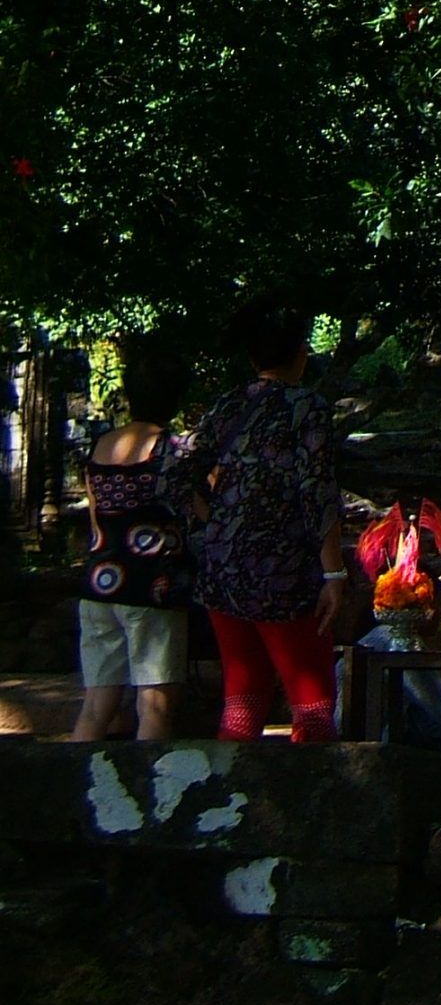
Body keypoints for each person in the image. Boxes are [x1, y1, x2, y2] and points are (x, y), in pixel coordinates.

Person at [167, 297, 345, 743]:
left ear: (252, 357)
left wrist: (213, 523)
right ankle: (314, 783)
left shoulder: (229, 405)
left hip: (222, 570)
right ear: (301, 353)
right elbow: (318, 490)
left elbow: (175, 474)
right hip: (285, 573)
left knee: (242, 698)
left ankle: (228, 782)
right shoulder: (308, 408)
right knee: (312, 704)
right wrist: (334, 573)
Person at [73, 343, 192, 742]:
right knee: (154, 706)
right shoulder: (173, 451)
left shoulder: (100, 446)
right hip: (152, 588)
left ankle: (74, 779)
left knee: (95, 707)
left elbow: (96, 519)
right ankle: (150, 782)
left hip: (101, 585)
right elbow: (202, 513)